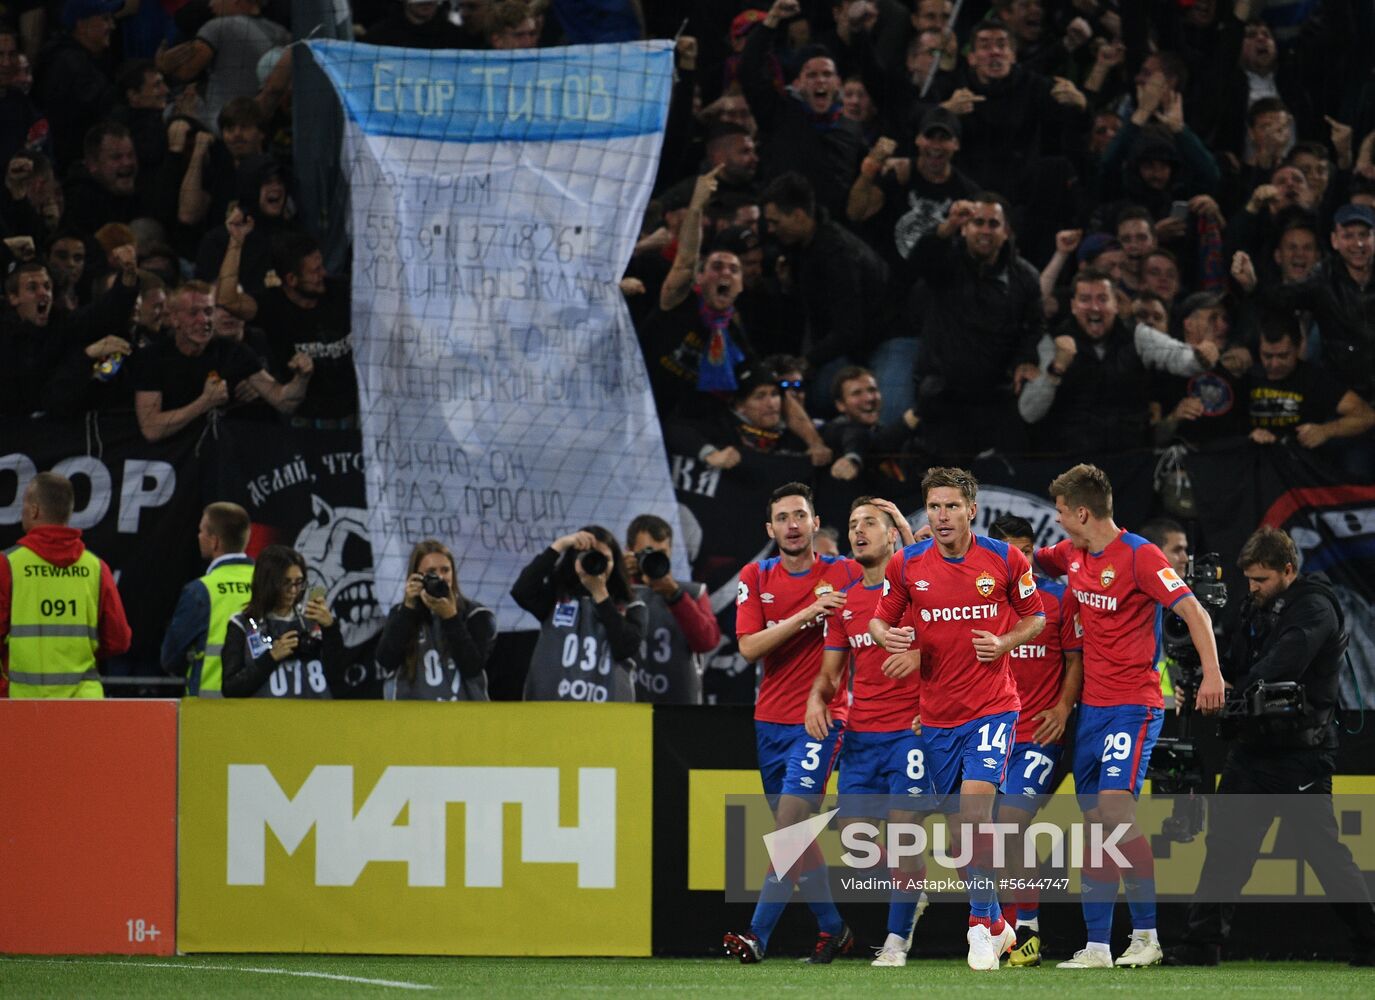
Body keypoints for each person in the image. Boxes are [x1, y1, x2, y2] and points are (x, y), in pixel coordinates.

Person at [1036, 463, 1224, 969]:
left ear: (1081, 512)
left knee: (1115, 814)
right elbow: (1027, 560)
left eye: (1059, 511)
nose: (1056, 521)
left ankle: (1146, 935)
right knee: (1097, 823)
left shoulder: (1141, 555)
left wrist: (1212, 675)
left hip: (1134, 707)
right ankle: (1098, 945)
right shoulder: (1071, 554)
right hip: (1092, 711)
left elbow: (1195, 613)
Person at [1164, 526, 1375, 967]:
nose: (1252, 588)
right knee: (1226, 846)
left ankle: (1369, 941)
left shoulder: (1315, 607)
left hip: (1302, 754)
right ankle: (1201, 944)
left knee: (1324, 856)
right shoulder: (1256, 606)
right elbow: (1240, 661)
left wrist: (1224, 692)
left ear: (1288, 570)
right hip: (1253, 748)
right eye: (1249, 580)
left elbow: (1283, 664)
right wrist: (1206, 669)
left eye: (1261, 579)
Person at [868, 467, 1045, 971]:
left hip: (993, 707)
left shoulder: (1004, 558)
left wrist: (1005, 642)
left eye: (951, 506)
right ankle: (995, 923)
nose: (942, 516)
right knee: (960, 836)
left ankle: (977, 927)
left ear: (972, 509)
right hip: (938, 716)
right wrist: (886, 636)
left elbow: (1036, 616)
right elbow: (880, 618)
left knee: (973, 814)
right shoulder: (907, 564)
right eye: (934, 507)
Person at [723, 482, 862, 964]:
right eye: (783, 517)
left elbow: (897, 573)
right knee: (796, 839)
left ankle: (757, 935)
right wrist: (807, 614)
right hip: (770, 722)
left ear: (814, 522)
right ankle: (834, 929)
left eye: (800, 515)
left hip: (823, 717)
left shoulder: (842, 571)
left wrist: (908, 531)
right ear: (771, 528)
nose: (792, 525)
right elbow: (748, 648)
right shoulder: (755, 576)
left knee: (788, 829)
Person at [807, 496, 923, 967]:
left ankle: (895, 941)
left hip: (910, 735)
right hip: (861, 737)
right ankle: (912, 891)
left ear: (892, 533)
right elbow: (830, 675)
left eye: (870, 523)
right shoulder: (847, 601)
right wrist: (818, 698)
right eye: (853, 524)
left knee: (902, 837)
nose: (858, 531)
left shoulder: (917, 589)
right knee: (856, 840)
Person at [987, 513, 1083, 968]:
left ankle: (1028, 932)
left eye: (1026, 550)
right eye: (1011, 550)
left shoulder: (1056, 600)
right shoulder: (980, 605)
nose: (1020, 558)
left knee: (1009, 823)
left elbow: (1074, 661)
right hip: (991, 734)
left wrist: (1063, 708)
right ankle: (1004, 930)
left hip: (1039, 736)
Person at [1019, 267, 1212, 454]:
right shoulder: (1053, 341)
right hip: (1072, 464)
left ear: (1116, 305)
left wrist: (1201, 356)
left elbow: (1180, 358)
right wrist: (1056, 369)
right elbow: (1029, 412)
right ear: (1073, 306)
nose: (1094, 307)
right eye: (1085, 299)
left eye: (1102, 299)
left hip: (1128, 461)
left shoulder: (1139, 337)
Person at [0, 472, 131, 698]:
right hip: (82, 704)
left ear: (34, 510)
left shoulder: (9, 564)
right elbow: (118, 640)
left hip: (24, 704)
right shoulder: (96, 568)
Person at [131, 280, 313, 442]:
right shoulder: (153, 358)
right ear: (174, 318)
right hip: (176, 464)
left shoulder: (234, 352)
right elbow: (151, 429)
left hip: (226, 459)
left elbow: (284, 402)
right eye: (193, 313)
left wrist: (301, 378)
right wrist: (204, 403)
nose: (204, 320)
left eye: (208, 311)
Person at [510, 526, 646, 703]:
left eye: (605, 559)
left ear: (615, 563)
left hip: (606, 712)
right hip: (551, 708)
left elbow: (624, 648)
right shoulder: (557, 596)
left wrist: (600, 594)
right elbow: (521, 591)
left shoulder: (632, 605)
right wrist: (560, 545)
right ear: (574, 560)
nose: (597, 564)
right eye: (588, 556)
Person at [376, 539, 494, 701]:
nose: (440, 577)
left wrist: (450, 618)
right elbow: (386, 660)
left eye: (445, 570)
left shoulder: (476, 614)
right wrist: (408, 609)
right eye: (431, 572)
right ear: (416, 577)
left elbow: (472, 668)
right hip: (413, 717)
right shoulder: (400, 613)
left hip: (465, 716)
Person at [221, 544, 344, 698]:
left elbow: (340, 677)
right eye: (286, 583)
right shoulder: (243, 624)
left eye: (298, 582)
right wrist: (271, 657)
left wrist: (330, 628)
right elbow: (231, 688)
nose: (293, 590)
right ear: (267, 583)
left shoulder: (314, 620)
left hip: (315, 716)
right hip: (265, 719)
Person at [623, 514, 720, 705]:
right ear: (630, 552)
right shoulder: (617, 592)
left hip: (679, 707)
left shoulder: (691, 593)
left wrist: (675, 596)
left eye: (661, 553)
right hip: (628, 705)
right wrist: (619, 576)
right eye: (646, 552)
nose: (654, 559)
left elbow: (707, 641)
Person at [160, 501, 254, 696]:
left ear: (215, 541)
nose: (199, 536)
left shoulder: (201, 591)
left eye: (202, 531)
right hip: (259, 706)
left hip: (209, 707)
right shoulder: (267, 583)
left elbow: (170, 658)